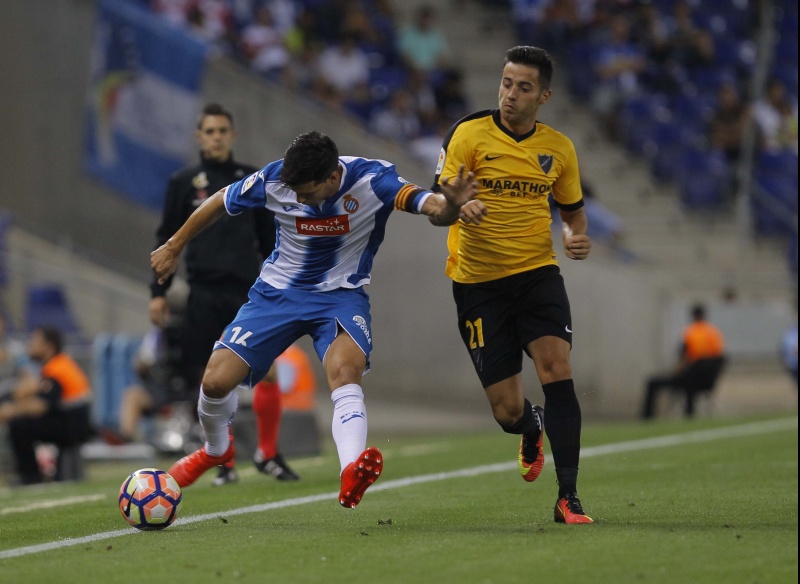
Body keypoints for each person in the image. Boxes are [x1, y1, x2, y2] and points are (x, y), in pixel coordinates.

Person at [151, 130, 480, 508]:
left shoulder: (375, 180)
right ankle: (215, 450)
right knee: (214, 382)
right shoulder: (276, 179)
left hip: (340, 297)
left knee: (344, 372)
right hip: (277, 295)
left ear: (333, 177)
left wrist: (451, 205)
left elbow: (433, 208)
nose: (299, 200)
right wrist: (173, 245)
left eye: (306, 193)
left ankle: (351, 471)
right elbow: (220, 200)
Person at [431, 46, 593, 525]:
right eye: (506, 84)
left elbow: (573, 212)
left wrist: (574, 235)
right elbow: (438, 209)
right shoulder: (468, 134)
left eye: (523, 87)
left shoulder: (558, 148)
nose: (510, 95)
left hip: (537, 275)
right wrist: (456, 204)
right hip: (479, 285)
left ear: (544, 96)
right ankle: (530, 424)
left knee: (557, 368)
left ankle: (568, 497)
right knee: (506, 412)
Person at [150, 103, 297, 485]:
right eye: (209, 131)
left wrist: (281, 286)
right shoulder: (183, 182)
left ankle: (268, 453)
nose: (216, 137)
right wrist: (158, 291)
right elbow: (167, 237)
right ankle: (223, 458)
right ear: (199, 137)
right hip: (202, 291)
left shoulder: (251, 179)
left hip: (248, 293)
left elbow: (269, 238)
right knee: (210, 379)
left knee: (268, 372)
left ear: (232, 135)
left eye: (222, 131)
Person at [0, 326, 93, 485]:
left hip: (73, 425)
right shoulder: (58, 364)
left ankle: (30, 477)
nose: (30, 345)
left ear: (48, 346)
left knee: (19, 426)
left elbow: (43, 405)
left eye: (34, 341)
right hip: (73, 422)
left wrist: (12, 410)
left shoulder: (57, 367)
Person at [641, 303, 726, 420]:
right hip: (707, 382)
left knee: (653, 382)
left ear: (693, 316)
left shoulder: (690, 333)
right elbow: (719, 356)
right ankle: (689, 413)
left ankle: (647, 418)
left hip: (690, 379)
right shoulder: (715, 333)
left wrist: (674, 373)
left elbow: (685, 359)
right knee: (691, 381)